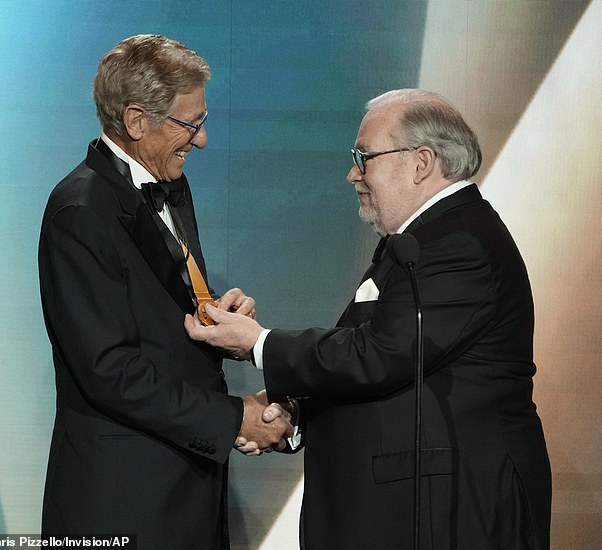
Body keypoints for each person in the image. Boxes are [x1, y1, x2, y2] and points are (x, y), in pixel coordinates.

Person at [185, 89, 552, 550]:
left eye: (364, 157)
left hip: (454, 512)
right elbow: (381, 360)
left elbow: (384, 354)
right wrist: (296, 411)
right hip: (410, 510)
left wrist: (260, 344)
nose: (352, 174)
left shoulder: (459, 242)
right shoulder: (419, 241)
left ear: (420, 162)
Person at [38, 34, 291, 550]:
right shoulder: (80, 213)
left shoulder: (167, 182)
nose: (200, 140)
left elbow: (150, 307)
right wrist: (233, 418)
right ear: (136, 122)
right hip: (122, 499)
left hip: (184, 484)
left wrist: (211, 308)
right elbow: (110, 370)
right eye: (189, 124)